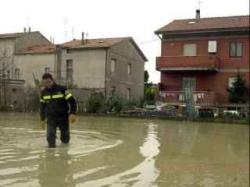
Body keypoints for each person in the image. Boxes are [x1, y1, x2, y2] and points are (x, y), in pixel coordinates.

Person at [40, 73, 77, 148]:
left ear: (52, 80)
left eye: (49, 82)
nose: (48, 84)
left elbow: (72, 102)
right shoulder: (43, 92)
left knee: (65, 138)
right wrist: (42, 119)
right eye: (45, 83)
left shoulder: (62, 89)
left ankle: (64, 156)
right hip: (51, 118)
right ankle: (51, 156)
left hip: (63, 117)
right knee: (50, 138)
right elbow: (42, 107)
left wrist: (73, 113)